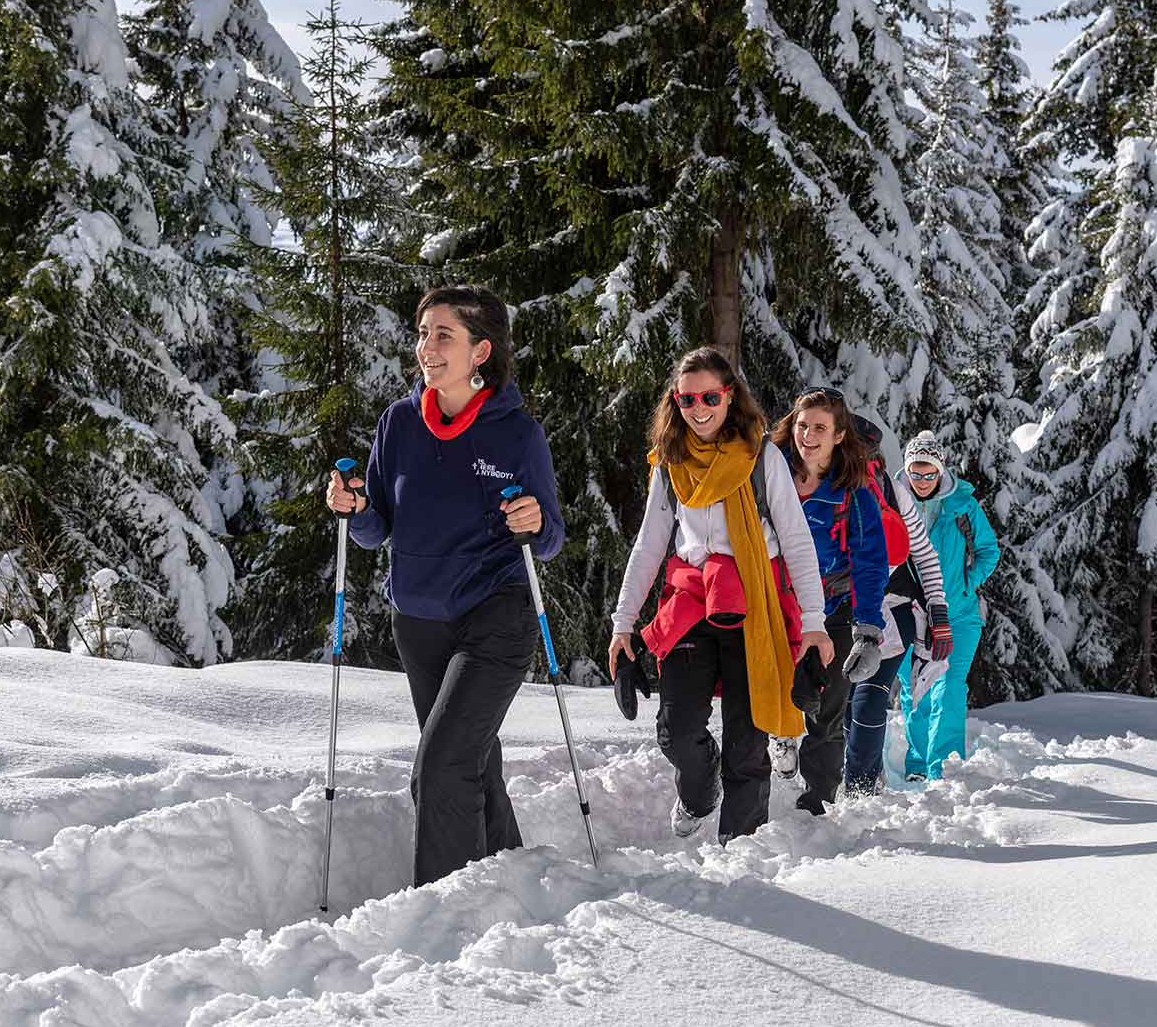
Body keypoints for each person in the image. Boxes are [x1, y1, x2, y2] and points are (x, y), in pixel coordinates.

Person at [325, 284, 564, 887]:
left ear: (480, 351)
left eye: (443, 336)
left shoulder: (516, 434)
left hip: (495, 616)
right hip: (420, 622)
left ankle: (443, 906)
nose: (426, 348)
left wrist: (534, 521)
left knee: (439, 767)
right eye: (422, 334)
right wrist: (353, 507)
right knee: (469, 761)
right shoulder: (399, 423)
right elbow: (378, 527)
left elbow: (551, 534)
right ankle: (509, 873)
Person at [608, 348, 833, 842]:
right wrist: (623, 624)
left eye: (710, 396)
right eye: (687, 398)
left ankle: (742, 854)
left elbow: (795, 538)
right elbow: (649, 542)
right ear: (676, 401)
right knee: (676, 729)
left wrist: (814, 622)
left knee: (747, 743)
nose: (699, 407)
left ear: (729, 396)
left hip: (754, 601)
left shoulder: (761, 457)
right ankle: (698, 786)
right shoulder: (670, 463)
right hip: (692, 600)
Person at [771, 388, 890, 815]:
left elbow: (871, 560)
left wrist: (868, 629)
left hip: (833, 607)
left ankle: (815, 801)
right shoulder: (770, 472)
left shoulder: (852, 490)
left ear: (839, 435)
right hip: (777, 605)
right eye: (802, 425)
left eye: (820, 427)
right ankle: (781, 735)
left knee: (828, 708)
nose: (808, 435)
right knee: (774, 691)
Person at [841, 416, 951, 794]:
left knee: (870, 696)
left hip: (893, 607)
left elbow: (924, 554)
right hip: (839, 609)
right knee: (843, 701)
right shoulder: (806, 484)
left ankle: (859, 788)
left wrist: (938, 611)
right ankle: (859, 773)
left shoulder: (889, 489)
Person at [894, 430, 1000, 782]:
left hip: (958, 614)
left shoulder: (962, 506)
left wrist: (967, 584)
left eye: (929, 473)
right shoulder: (891, 502)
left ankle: (946, 768)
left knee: (950, 686)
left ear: (940, 471)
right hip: (908, 614)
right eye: (915, 473)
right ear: (906, 471)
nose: (922, 480)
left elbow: (988, 550)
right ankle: (917, 766)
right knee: (913, 692)